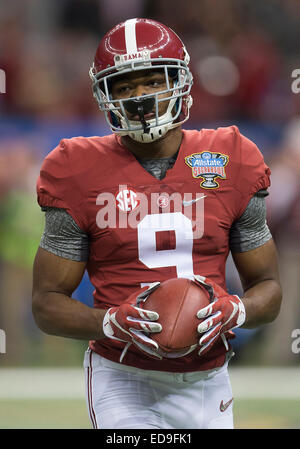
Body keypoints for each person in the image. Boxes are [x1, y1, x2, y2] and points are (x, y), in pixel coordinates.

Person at [32, 18, 282, 429]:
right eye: (125, 87)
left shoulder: (231, 158)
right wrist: (109, 322)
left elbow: (269, 290)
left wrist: (235, 310)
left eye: (151, 81)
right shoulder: (75, 168)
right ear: (105, 95)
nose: (139, 98)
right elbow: (46, 303)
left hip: (209, 378)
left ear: (181, 81)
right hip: (122, 375)